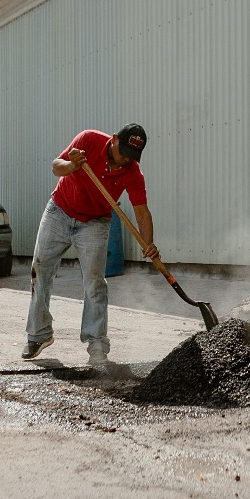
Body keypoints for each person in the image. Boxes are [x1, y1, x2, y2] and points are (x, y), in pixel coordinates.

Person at [22, 125, 157, 364]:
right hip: (60, 211)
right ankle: (39, 335)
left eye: (131, 156)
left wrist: (149, 243)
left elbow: (142, 212)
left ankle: (96, 344)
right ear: (114, 140)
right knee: (40, 270)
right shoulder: (89, 140)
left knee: (95, 282)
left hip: (95, 222)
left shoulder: (133, 173)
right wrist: (72, 165)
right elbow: (56, 167)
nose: (125, 159)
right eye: (123, 151)